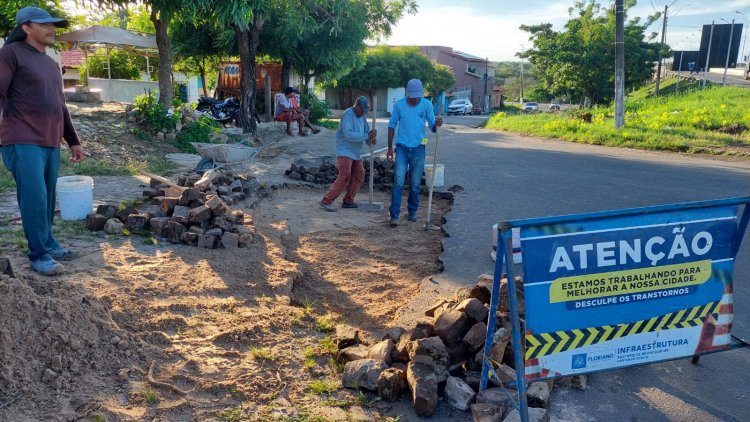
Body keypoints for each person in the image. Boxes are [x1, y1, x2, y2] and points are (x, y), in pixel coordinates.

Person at [0, 7, 84, 276]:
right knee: (34, 195)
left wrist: (73, 140)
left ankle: (48, 242)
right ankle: (38, 254)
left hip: (49, 140)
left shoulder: (50, 62)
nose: (53, 29)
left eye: (54, 25)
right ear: (26, 27)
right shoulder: (11, 53)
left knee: (47, 196)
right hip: (22, 137)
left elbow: (61, 105)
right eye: (45, 25)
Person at [386, 79, 442, 226]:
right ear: (408, 94)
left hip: (419, 148)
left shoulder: (427, 105)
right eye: (412, 96)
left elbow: (433, 127)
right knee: (398, 182)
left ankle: (412, 211)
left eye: (417, 96)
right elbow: (391, 126)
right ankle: (394, 215)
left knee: (415, 183)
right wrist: (390, 148)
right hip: (402, 148)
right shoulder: (399, 105)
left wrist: (437, 124)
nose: (415, 99)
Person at [319, 96, 376, 211]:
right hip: (345, 150)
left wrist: (370, 141)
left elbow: (366, 133)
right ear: (357, 106)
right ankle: (326, 200)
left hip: (356, 152)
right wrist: (367, 136)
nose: (363, 114)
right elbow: (348, 135)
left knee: (359, 175)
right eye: (362, 111)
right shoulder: (347, 115)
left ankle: (348, 200)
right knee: (345, 176)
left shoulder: (362, 117)